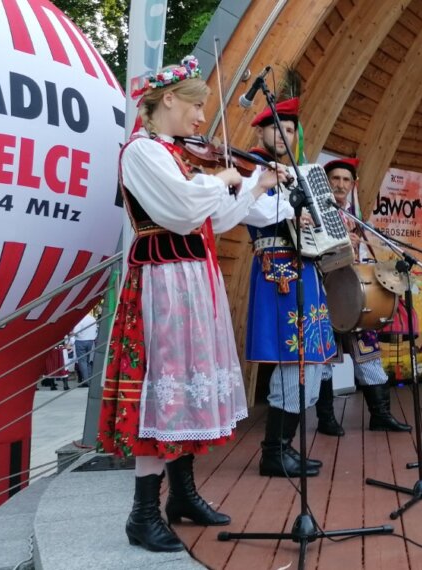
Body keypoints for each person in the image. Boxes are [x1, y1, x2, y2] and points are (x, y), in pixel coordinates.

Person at [97, 56, 285, 553]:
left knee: (185, 388)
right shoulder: (142, 151)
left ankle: (181, 494)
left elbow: (214, 220)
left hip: (192, 282)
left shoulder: (177, 155)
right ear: (170, 100)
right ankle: (142, 513)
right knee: (164, 389)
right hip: (163, 285)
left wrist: (253, 188)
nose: (203, 119)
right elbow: (181, 210)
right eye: (198, 106)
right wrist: (220, 179)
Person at [241, 97, 334, 478]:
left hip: (307, 270)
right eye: (276, 127)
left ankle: (285, 447)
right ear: (261, 131)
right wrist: (299, 211)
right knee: (290, 358)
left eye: (291, 129)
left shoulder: (299, 172)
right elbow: (254, 210)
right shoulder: (252, 167)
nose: (284, 135)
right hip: (276, 271)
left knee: (310, 359)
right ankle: (273, 452)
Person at [314, 158, 411, 437]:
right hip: (325, 296)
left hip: (355, 298)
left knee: (369, 358)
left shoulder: (354, 218)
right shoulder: (315, 214)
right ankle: (326, 419)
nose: (340, 185)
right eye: (335, 179)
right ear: (326, 182)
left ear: (353, 185)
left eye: (346, 180)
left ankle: (380, 415)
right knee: (325, 363)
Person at [71, 308, 98, 387]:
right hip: (91, 341)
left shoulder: (80, 319)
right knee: (89, 361)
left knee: (82, 362)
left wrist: (71, 333)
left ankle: (86, 381)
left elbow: (76, 331)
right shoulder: (92, 318)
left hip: (81, 341)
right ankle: (90, 379)